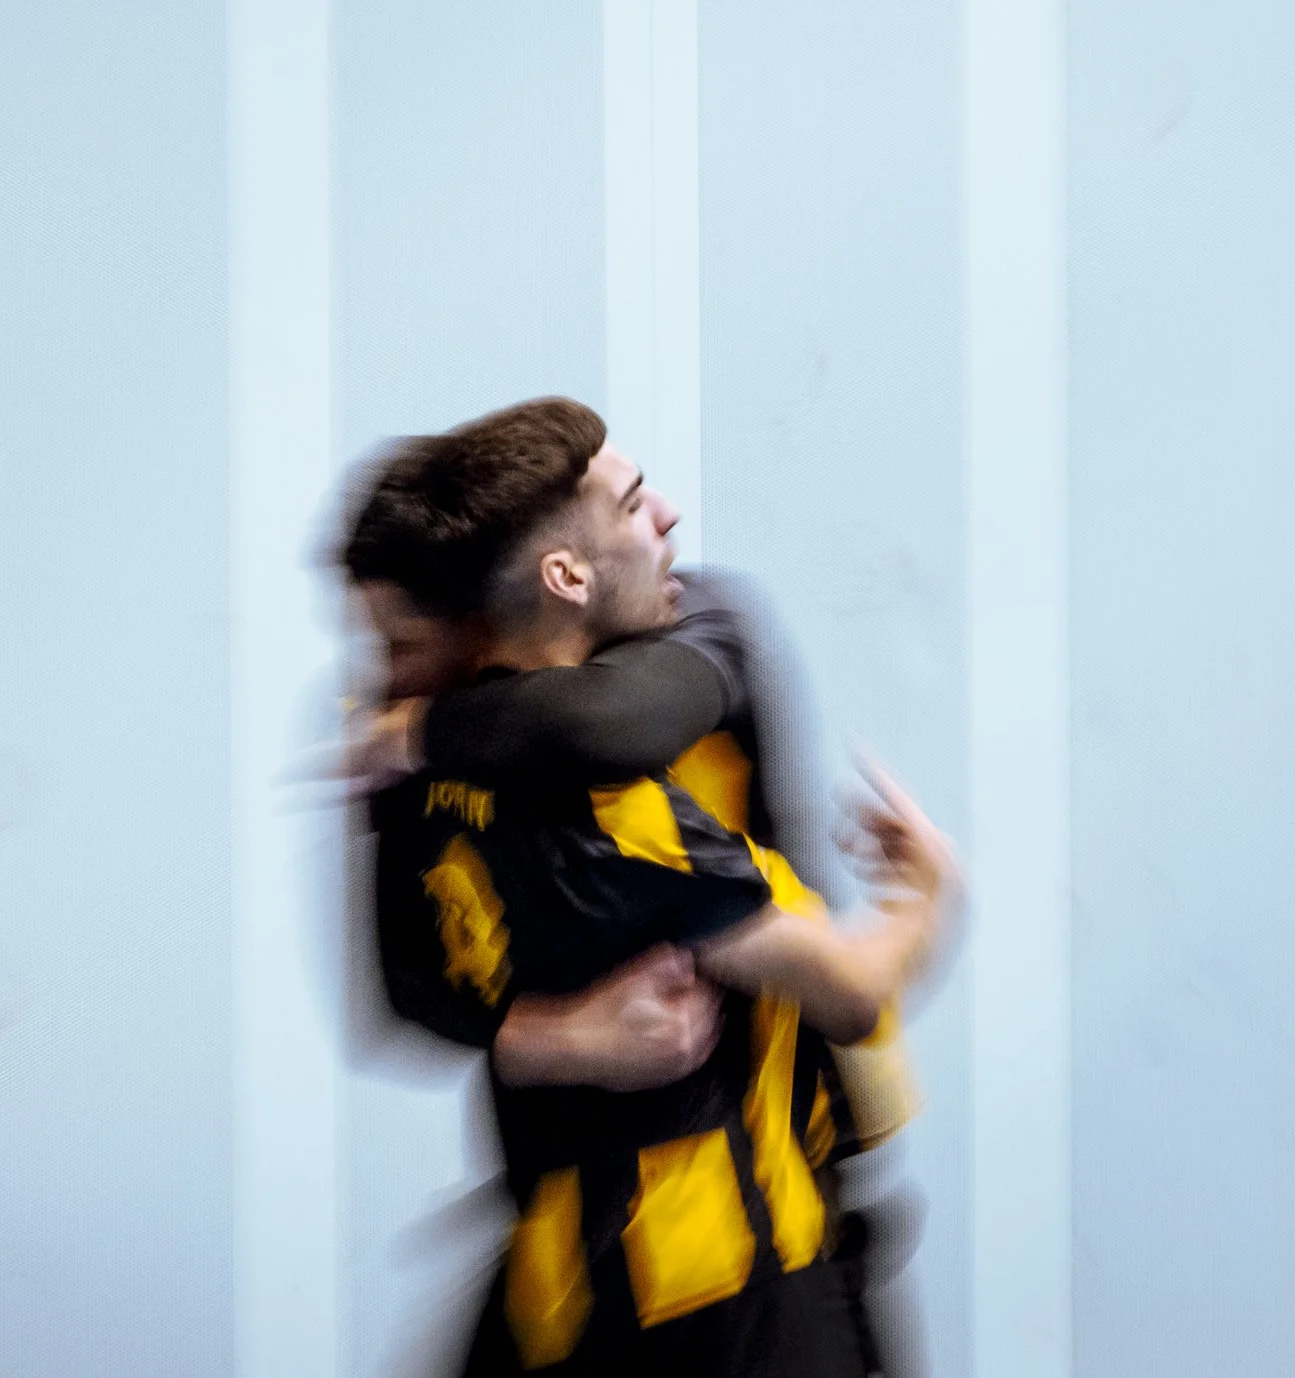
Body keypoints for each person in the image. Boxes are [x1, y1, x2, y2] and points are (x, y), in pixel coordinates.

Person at [340, 399, 959, 1376]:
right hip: (710, 1268)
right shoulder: (599, 810)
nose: (379, 678)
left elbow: (609, 716)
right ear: (562, 575)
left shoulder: (672, 652)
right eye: (634, 503)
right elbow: (852, 984)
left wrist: (419, 735)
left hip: (655, 1239)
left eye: (395, 641)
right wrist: (931, 893)